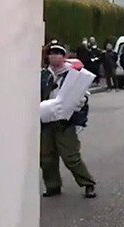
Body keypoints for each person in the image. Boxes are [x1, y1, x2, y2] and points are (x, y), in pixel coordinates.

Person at [40, 45, 97, 198]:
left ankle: (88, 183)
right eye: (52, 53)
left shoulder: (72, 75)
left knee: (71, 157)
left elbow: (82, 98)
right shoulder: (44, 75)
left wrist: (80, 117)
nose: (55, 56)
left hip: (65, 122)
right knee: (46, 157)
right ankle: (52, 186)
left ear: (64, 56)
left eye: (58, 53)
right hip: (46, 120)